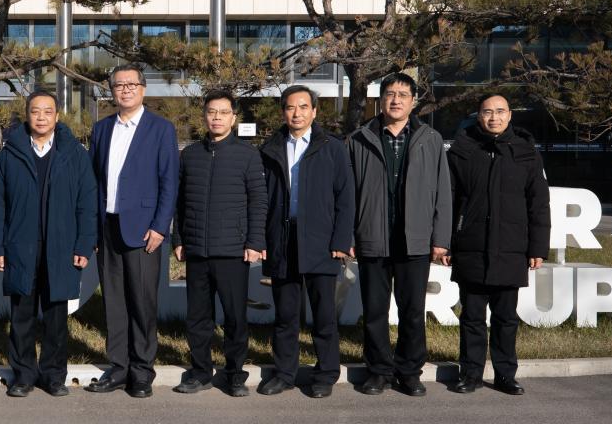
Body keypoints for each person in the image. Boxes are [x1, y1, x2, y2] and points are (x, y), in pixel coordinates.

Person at [0, 90, 97, 398]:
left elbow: (87, 203)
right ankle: (23, 375)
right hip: (21, 246)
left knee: (56, 317)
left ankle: (53, 376)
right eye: (35, 111)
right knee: (21, 316)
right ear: (27, 116)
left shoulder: (74, 154)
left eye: (48, 111)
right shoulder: (10, 154)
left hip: (61, 247)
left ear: (57, 116)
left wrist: (84, 245)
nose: (41, 117)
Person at [347, 72, 452, 397]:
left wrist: (441, 239)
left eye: (403, 95)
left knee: (412, 311)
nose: (395, 100)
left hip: (414, 240)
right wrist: (348, 237)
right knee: (374, 311)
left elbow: (443, 192)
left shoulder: (430, 139)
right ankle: (378, 371)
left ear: (413, 101)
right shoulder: (359, 138)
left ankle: (409, 371)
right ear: (381, 99)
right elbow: (348, 194)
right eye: (390, 94)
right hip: (372, 238)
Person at [446, 94, 550, 396]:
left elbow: (538, 203)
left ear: (510, 115)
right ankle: (470, 374)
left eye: (500, 111)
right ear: (479, 115)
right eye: (487, 112)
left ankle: (505, 375)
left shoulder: (526, 152)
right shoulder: (462, 150)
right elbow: (449, 200)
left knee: (506, 318)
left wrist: (537, 248)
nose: (494, 117)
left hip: (511, 247)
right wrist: (445, 243)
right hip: (471, 245)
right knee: (472, 317)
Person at [86, 64, 178, 399]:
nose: (125, 90)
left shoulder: (161, 129)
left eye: (131, 84)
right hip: (107, 226)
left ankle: (141, 371)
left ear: (143, 88)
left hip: (143, 230)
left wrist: (160, 227)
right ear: (111, 91)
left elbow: (169, 181)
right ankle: (118, 367)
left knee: (141, 301)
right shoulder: (102, 129)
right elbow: (93, 181)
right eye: (118, 85)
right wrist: (92, 229)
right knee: (114, 301)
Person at [258, 85, 355, 398]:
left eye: (303, 107)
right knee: (286, 315)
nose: (296, 113)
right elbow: (262, 199)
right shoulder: (270, 148)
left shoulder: (332, 147)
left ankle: (325, 374)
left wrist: (341, 239)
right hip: (282, 239)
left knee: (324, 315)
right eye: (290, 107)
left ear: (314, 111)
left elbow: (345, 197)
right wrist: (261, 238)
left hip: (321, 241)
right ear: (283, 111)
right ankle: (284, 373)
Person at [172, 90, 266, 397]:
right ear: (204, 116)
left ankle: (235, 373)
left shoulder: (248, 154)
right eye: (212, 112)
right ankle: (200, 371)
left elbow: (258, 201)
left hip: (233, 250)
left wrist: (254, 241)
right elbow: (180, 201)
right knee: (198, 317)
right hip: (197, 249)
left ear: (234, 118)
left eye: (223, 112)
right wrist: (179, 238)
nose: (217, 118)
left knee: (235, 316)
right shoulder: (190, 154)